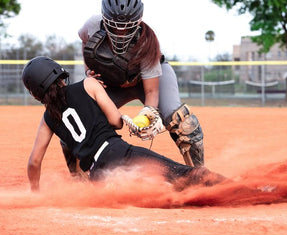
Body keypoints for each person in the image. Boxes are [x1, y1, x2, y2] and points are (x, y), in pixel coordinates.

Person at [22, 56, 223, 192]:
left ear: (35, 93)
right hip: (118, 153)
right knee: (186, 176)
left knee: (146, 192)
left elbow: (34, 162)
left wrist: (35, 191)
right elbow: (116, 122)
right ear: (59, 73)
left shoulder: (48, 118)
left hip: (97, 175)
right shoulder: (88, 84)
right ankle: (238, 190)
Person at [63, 0, 204, 178]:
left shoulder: (147, 41)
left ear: (138, 22)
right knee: (78, 119)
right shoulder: (92, 24)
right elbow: (85, 43)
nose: (121, 33)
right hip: (113, 82)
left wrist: (147, 116)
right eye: (115, 26)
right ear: (104, 19)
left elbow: (151, 92)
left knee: (180, 121)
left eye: (127, 27)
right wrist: (87, 70)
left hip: (144, 81)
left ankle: (200, 176)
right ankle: (79, 181)